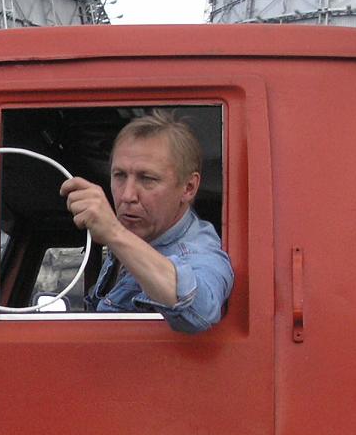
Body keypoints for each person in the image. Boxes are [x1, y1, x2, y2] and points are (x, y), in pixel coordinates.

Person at [59, 110, 234, 334]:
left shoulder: (198, 251)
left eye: (147, 179)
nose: (127, 195)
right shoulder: (142, 235)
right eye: (120, 176)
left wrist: (114, 233)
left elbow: (201, 309)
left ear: (188, 188)